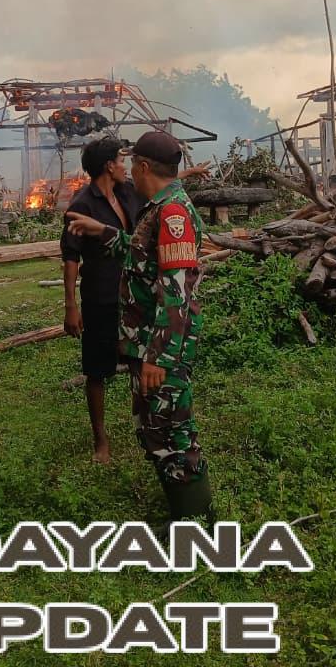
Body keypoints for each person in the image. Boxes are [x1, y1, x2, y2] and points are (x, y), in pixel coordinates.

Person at [65, 130, 213, 522]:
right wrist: (105, 232)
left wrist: (157, 358)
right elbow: (144, 254)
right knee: (155, 428)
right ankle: (182, 509)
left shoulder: (174, 214)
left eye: (133, 164)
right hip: (146, 343)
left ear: (145, 167)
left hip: (160, 347)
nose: (129, 170)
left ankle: (193, 519)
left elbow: (176, 294)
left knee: (172, 430)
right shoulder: (159, 208)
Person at [61, 137, 144, 464]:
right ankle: (101, 440)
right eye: (122, 160)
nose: (125, 165)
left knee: (139, 359)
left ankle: (146, 425)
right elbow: (70, 258)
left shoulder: (126, 193)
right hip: (100, 295)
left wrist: (187, 174)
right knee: (97, 370)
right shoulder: (81, 205)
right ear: (109, 165)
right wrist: (70, 306)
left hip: (134, 293)